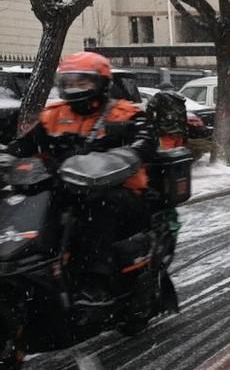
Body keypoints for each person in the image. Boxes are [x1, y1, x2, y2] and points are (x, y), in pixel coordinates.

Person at [6, 51, 157, 304]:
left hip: (119, 191)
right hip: (63, 188)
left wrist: (125, 153)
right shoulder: (52, 115)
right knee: (19, 203)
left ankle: (94, 281)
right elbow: (23, 146)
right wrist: (7, 158)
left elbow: (145, 141)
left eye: (83, 81)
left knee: (96, 206)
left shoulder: (124, 114)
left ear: (102, 83)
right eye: (69, 82)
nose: (75, 88)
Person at [147, 82, 189, 150]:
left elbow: (150, 108)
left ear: (161, 89)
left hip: (166, 130)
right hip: (180, 131)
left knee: (167, 153)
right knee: (178, 153)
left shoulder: (160, 95)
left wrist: (151, 122)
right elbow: (184, 115)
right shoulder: (180, 98)